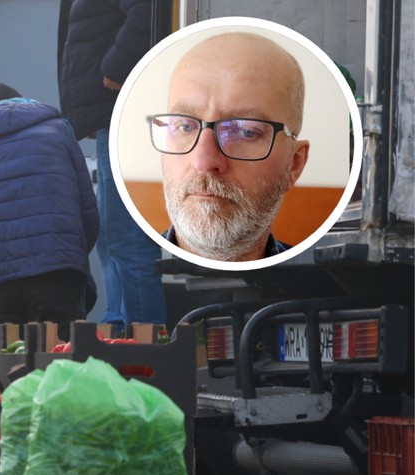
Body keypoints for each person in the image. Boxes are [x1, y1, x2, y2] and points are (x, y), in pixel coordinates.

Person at [0, 83, 99, 370]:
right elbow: (87, 211)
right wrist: (68, 257)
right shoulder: (58, 132)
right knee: (63, 374)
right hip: (55, 271)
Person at [151, 32, 310, 262]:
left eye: (246, 131)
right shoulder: (137, 283)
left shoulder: (324, 291)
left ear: (294, 164)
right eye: (185, 127)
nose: (203, 162)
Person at [59, 0, 163, 334]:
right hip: (112, 115)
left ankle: (145, 342)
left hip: (124, 111)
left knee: (128, 241)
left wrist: (116, 71)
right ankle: (119, 328)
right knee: (112, 240)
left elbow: (149, 12)